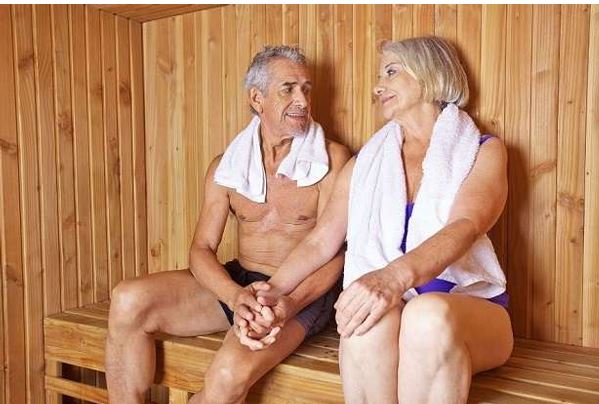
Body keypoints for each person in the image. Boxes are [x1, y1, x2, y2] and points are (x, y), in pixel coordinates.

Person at [258, 37, 513, 403]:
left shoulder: (481, 150)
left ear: (430, 74)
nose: (378, 87)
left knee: (425, 316)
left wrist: (391, 279)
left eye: (391, 72)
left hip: (470, 312)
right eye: (378, 77)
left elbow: (466, 225)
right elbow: (320, 241)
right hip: (397, 311)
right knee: (366, 322)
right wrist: (271, 293)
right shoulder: (365, 165)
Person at [104, 45, 350, 404]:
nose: (302, 100)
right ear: (257, 98)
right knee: (127, 299)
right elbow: (201, 249)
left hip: (301, 294)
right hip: (242, 283)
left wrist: (288, 302)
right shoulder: (228, 167)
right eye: (288, 89)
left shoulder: (332, 160)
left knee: (224, 376)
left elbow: (334, 254)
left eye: (306, 89)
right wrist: (235, 296)